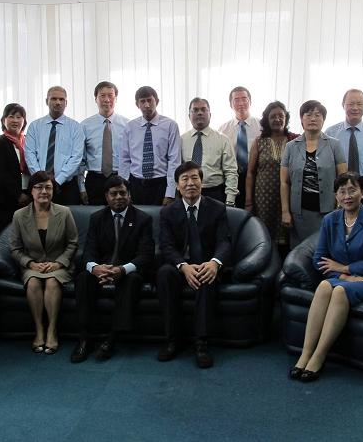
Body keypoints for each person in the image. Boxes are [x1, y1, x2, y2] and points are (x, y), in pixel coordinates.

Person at [289, 172, 363, 382]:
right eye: (342, 191)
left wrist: (345, 268)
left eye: (352, 190)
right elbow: (319, 259)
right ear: (336, 196)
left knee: (339, 291)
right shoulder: (330, 220)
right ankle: (305, 354)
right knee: (324, 286)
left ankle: (319, 356)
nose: (347, 196)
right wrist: (345, 275)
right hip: (347, 280)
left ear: (362, 193)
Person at [71, 175, 154, 363]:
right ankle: (85, 338)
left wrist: (122, 270)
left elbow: (146, 255)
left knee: (132, 280)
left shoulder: (143, 219)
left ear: (129, 195)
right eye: (114, 194)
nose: (118, 197)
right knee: (83, 278)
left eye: (122, 193)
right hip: (102, 270)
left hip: (127, 271)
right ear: (106, 197)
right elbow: (88, 251)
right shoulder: (97, 218)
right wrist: (96, 268)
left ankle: (112, 338)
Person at [156, 161, 231, 368]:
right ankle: (172, 339)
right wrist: (183, 266)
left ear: (202, 182)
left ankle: (201, 343)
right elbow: (166, 246)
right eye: (185, 179)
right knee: (164, 274)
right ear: (177, 186)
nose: (190, 183)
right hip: (179, 266)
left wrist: (215, 263)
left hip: (206, 262)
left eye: (194, 178)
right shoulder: (167, 212)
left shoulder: (217, 209)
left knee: (207, 276)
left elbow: (224, 241)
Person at [9, 170, 78, 354]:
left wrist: (59, 263)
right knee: (33, 282)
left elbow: (73, 243)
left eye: (48, 187)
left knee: (52, 281)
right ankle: (39, 329)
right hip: (33, 266)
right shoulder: (19, 216)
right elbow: (15, 249)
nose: (44, 192)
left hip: (59, 265)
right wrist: (30, 263)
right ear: (31, 191)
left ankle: (52, 330)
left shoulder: (64, 212)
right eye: (39, 187)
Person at [280, 100, 346, 248]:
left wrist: (340, 206)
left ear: (323, 119)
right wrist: (285, 211)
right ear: (301, 119)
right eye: (308, 115)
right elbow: (284, 182)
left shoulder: (334, 145)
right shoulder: (290, 147)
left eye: (317, 115)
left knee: (325, 249)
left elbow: (343, 179)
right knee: (300, 252)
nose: (313, 119)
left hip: (328, 211)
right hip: (299, 213)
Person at [245, 101, 298, 258]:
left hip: (288, 197)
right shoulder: (259, 141)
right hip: (264, 198)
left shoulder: (295, 141)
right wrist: (249, 201)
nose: (277, 119)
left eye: (281, 116)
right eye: (273, 116)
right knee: (265, 235)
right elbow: (250, 173)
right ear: (266, 120)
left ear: (286, 118)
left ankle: (286, 267)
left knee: (287, 236)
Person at [119, 86, 181, 206]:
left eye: (149, 100)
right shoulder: (130, 127)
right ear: (137, 104)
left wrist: (170, 193)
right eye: (142, 101)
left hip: (160, 184)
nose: (147, 105)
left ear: (156, 101)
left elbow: (174, 161)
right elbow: (124, 160)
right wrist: (124, 190)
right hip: (136, 184)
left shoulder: (170, 125)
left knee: (161, 217)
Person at [24, 86, 84, 205]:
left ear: (66, 103)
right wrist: (42, 180)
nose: (58, 102)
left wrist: (57, 181)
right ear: (47, 101)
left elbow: (76, 157)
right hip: (39, 186)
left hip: (66, 186)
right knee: (40, 216)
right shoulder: (35, 126)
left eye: (61, 99)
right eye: (54, 99)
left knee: (67, 216)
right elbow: (29, 154)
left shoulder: (75, 127)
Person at [79, 81, 130, 206]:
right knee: (95, 215)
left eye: (110, 96)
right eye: (102, 96)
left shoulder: (127, 125)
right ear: (95, 99)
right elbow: (80, 160)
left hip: (120, 179)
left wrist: (128, 183)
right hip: (94, 180)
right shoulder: (85, 126)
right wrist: (81, 187)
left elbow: (131, 158)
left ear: (116, 99)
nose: (107, 100)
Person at [181, 98, 239, 205]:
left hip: (214, 193)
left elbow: (231, 172)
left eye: (203, 109)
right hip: (188, 193)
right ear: (189, 116)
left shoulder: (223, 140)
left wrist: (230, 200)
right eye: (195, 110)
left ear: (210, 115)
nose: (199, 113)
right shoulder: (181, 140)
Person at [325, 89, 363, 206]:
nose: (355, 108)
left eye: (359, 104)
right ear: (343, 105)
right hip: (340, 190)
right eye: (351, 104)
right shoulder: (330, 133)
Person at [0, 103, 31, 236]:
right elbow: (2, 173)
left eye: (19, 117)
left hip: (29, 194)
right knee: (7, 234)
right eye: (11, 116)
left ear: (24, 121)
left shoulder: (29, 141)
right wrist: (18, 194)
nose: (15, 120)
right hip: (6, 196)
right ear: (4, 120)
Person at [218, 86, 262, 208]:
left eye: (244, 99)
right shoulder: (223, 129)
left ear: (250, 101)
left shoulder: (262, 126)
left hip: (256, 177)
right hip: (232, 178)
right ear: (231, 104)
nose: (241, 103)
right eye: (236, 100)